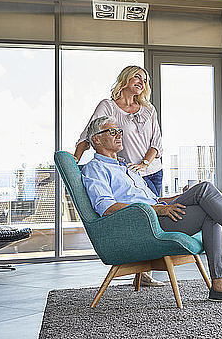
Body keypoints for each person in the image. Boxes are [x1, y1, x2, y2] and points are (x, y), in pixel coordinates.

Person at [81, 116, 222, 302]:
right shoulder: (95, 169)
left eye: (119, 131)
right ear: (96, 140)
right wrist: (158, 210)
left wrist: (178, 197)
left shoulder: (128, 169)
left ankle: (221, 283)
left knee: (205, 197)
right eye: (112, 132)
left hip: (158, 211)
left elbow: (155, 198)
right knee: (205, 194)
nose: (119, 135)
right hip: (145, 223)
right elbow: (106, 207)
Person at [74, 66, 164, 286]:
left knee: (153, 220)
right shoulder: (108, 107)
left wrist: (144, 163)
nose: (141, 82)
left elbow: (157, 143)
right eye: (137, 77)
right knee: (138, 219)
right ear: (125, 79)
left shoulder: (148, 109)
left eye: (145, 79)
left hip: (150, 171)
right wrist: (74, 162)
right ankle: (138, 269)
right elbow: (90, 133)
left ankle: (145, 274)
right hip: (125, 173)